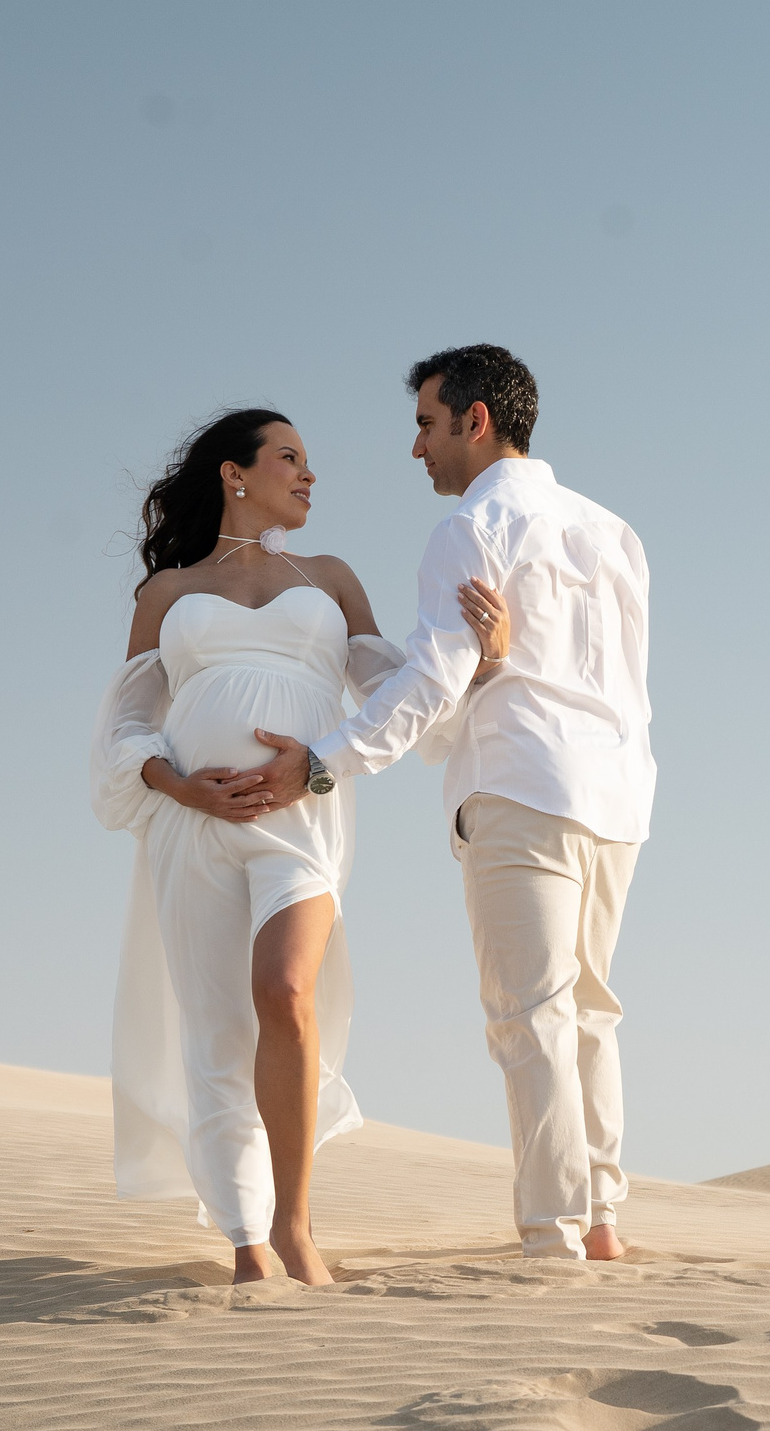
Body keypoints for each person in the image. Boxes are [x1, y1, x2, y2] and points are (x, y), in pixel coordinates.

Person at [244, 347, 655, 1261]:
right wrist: (498, 669)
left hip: (519, 785)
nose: (416, 448)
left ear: (476, 420)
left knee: (531, 1014)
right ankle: (601, 1224)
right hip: (617, 797)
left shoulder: (471, 530)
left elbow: (433, 684)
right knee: (590, 1011)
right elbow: (623, 685)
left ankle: (551, 1236)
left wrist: (323, 763)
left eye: (427, 424)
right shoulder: (615, 533)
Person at [90, 407, 509, 1285]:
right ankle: (244, 1241)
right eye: (291, 458)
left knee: (284, 991)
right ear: (234, 474)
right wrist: (179, 784)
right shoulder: (166, 593)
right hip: (191, 825)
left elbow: (396, 684)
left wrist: (484, 659)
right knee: (214, 1029)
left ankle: (294, 1224)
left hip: (303, 816)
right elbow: (127, 723)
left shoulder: (329, 577)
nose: (310, 474)